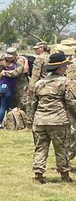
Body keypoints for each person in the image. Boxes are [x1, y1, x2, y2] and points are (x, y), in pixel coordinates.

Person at [31, 51, 76, 183]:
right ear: (61, 68)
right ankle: (65, 174)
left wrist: (33, 118)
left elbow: (33, 103)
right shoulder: (66, 82)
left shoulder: (39, 83)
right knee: (62, 147)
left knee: (40, 147)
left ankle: (38, 174)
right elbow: (71, 103)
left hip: (40, 120)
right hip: (58, 121)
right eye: (65, 66)